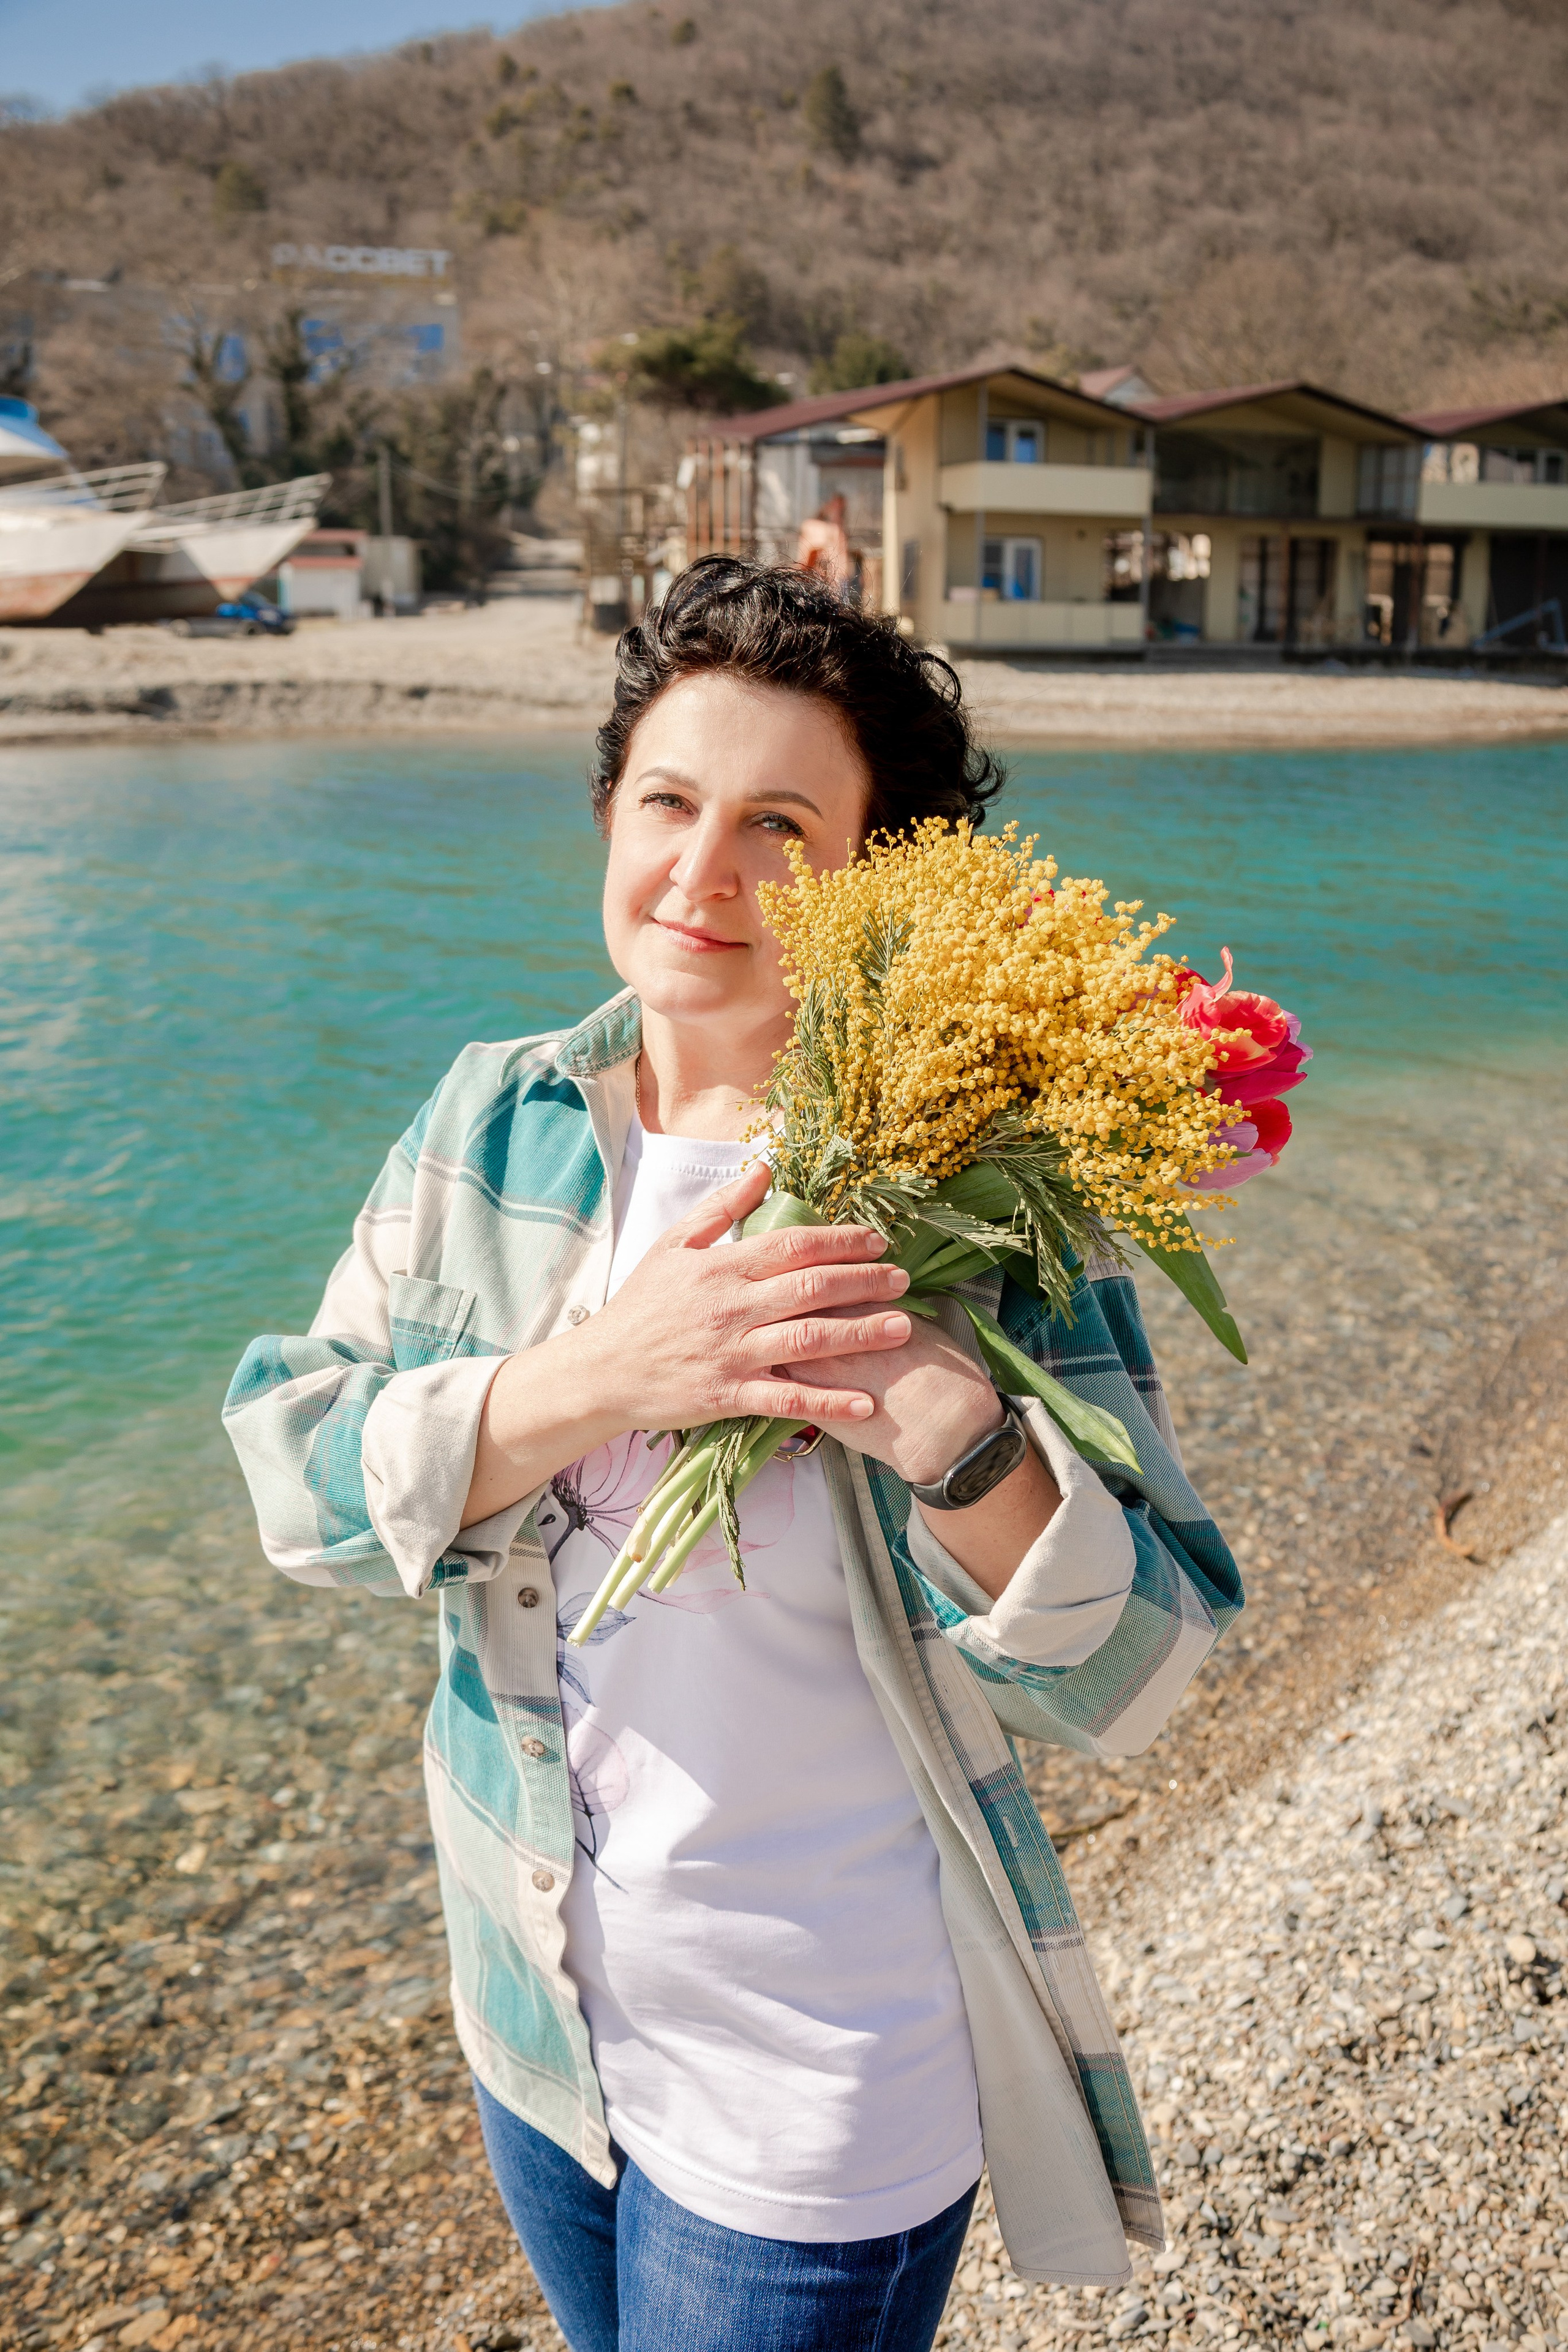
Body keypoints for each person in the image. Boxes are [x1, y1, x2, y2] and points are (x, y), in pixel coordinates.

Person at [224, 557, 1242, 2352]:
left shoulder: (988, 1204)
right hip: (536, 2021)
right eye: (669, 802)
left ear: (881, 889)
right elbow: (296, 1480)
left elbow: (1155, 1667)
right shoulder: (494, 1112)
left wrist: (965, 1443)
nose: (703, 871)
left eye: (783, 826)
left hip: (815, 2076)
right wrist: (602, 1375)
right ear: (609, 815)